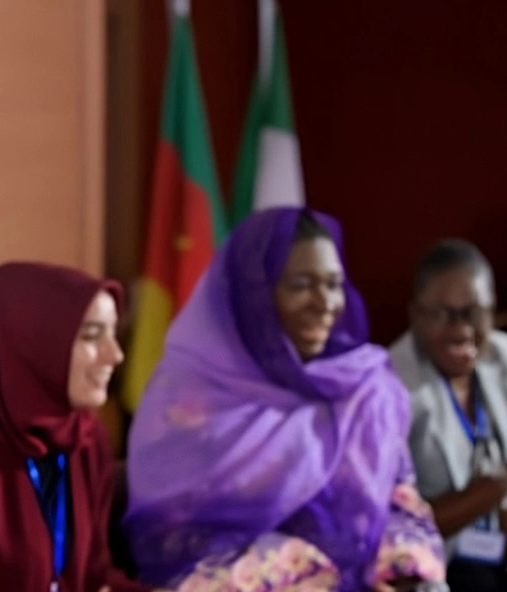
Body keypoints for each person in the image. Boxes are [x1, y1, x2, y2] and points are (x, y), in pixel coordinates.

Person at [123, 207, 448, 592]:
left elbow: (398, 502)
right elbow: (174, 541)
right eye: (300, 285)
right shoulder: (192, 397)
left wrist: (403, 571)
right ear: (255, 296)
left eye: (334, 284)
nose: (324, 303)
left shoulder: (364, 387)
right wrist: (312, 574)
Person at [0, 262, 149, 592]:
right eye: (92, 336)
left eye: (113, 333)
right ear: (33, 341)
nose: (116, 355)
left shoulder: (84, 439)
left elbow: (94, 579)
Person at [389, 239, 507, 592]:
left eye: (474, 312)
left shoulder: (504, 357)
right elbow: (401, 531)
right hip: (430, 565)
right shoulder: (392, 387)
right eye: (440, 314)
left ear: (493, 309)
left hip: (493, 548)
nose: (460, 329)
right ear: (415, 315)